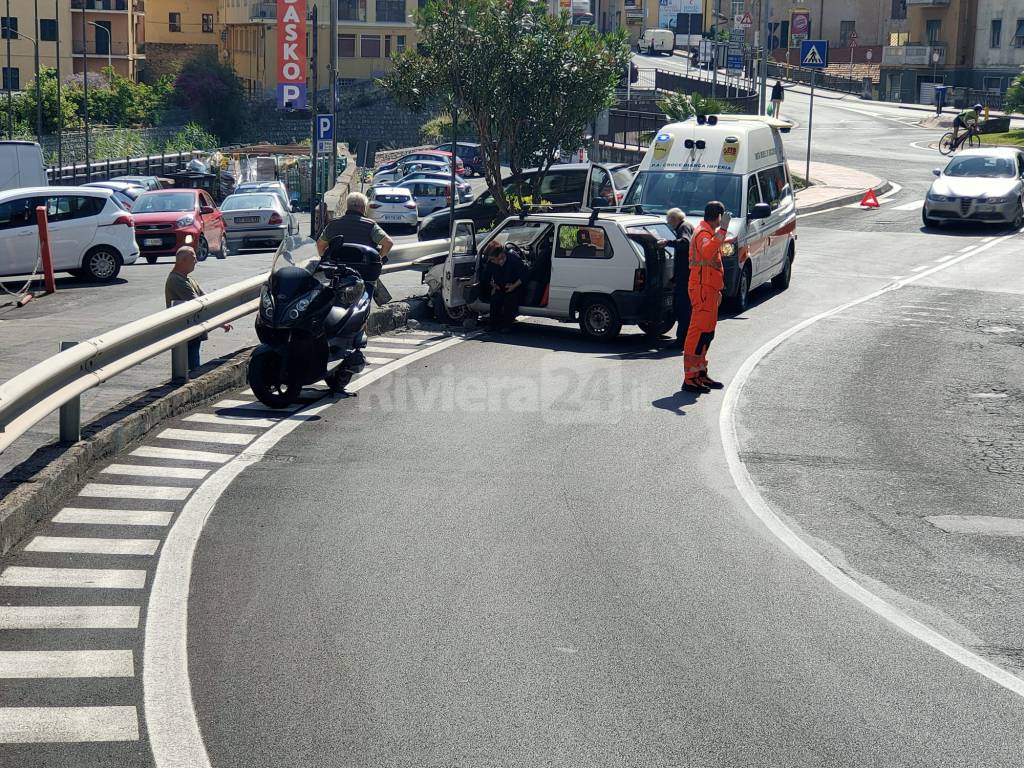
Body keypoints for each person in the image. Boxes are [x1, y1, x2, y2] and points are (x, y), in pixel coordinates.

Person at [682, 201, 728, 394]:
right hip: (701, 289)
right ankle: (690, 378)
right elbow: (708, 251)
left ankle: (700, 373)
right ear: (718, 216)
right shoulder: (702, 232)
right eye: (722, 218)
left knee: (707, 333)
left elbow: (713, 261)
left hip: (709, 289)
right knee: (698, 332)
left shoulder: (707, 232)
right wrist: (723, 230)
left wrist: (718, 289)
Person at [164, 246, 232, 371]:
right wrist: (219, 322)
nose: (196, 261)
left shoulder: (188, 279)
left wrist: (221, 322)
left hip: (194, 331)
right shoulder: (176, 281)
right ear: (182, 260)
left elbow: (208, 300)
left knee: (194, 364)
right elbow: (199, 304)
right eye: (193, 258)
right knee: (192, 368)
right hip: (186, 332)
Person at [316, 192, 394, 263]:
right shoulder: (370, 225)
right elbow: (388, 243)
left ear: (348, 207)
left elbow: (320, 245)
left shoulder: (333, 224)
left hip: (338, 269)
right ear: (363, 208)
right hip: (363, 268)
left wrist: (327, 260)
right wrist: (377, 259)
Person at [658, 208, 693, 348]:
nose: (668, 223)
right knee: (683, 308)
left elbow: (685, 243)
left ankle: (681, 341)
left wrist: (668, 243)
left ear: (674, 219)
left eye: (669, 220)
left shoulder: (683, 227)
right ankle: (684, 339)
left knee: (682, 308)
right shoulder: (687, 225)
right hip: (684, 275)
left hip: (686, 277)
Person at [481, 241, 529, 331]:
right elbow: (487, 276)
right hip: (501, 286)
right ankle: (493, 324)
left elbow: (524, 276)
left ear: (500, 255)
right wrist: (494, 286)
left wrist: (513, 286)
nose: (491, 261)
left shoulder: (513, 259)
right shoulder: (492, 264)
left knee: (510, 299)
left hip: (516, 286)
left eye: (492, 259)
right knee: (495, 299)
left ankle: (508, 325)